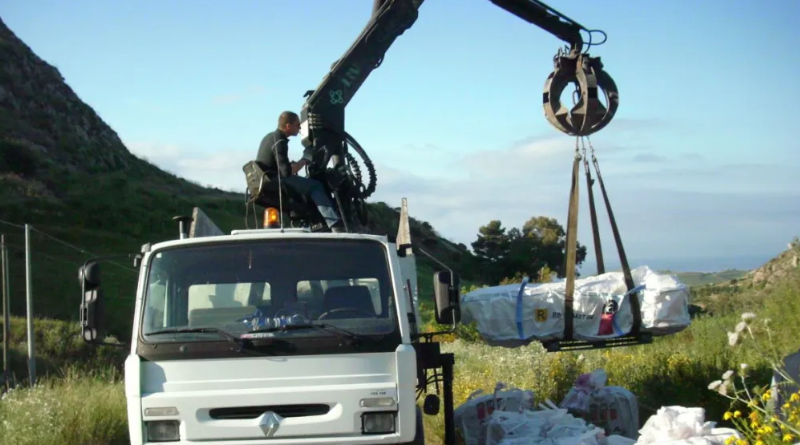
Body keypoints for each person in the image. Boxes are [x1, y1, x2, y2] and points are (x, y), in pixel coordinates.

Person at [256, 111, 344, 232]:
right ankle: (335, 225)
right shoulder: (280, 141)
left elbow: (277, 164)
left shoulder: (270, 137)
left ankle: (309, 224)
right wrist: (305, 160)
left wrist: (294, 164)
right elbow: (286, 172)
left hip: (269, 179)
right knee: (315, 185)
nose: (300, 127)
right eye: (297, 125)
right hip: (275, 180)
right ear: (288, 126)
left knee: (306, 184)